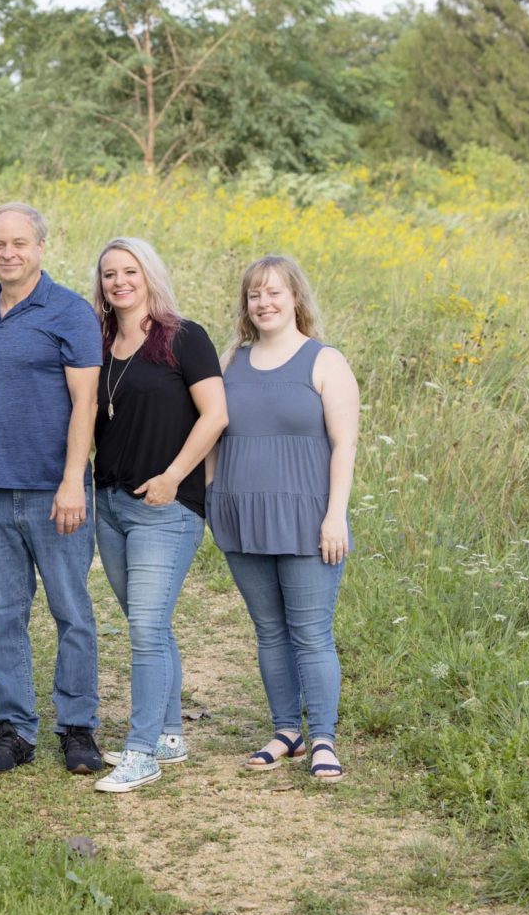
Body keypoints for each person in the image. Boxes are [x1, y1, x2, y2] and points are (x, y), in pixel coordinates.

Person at [206, 255, 359, 782]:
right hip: (241, 515)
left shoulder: (324, 361)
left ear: (295, 298)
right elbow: (211, 430)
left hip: (307, 517)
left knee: (311, 633)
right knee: (269, 631)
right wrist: (210, 491)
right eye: (254, 295)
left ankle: (322, 737)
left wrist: (335, 516)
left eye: (274, 293)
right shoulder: (231, 360)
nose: (264, 303)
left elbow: (344, 445)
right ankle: (285, 729)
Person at [0, 202, 104, 775]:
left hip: (56, 490)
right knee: (2, 615)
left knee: (71, 610)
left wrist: (72, 480)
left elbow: (86, 403)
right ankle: (15, 728)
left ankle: (77, 727)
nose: (8, 253)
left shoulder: (70, 312)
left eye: (19, 243)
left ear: (41, 247)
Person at [89, 238, 227, 793]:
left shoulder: (183, 337)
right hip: (110, 504)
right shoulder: (98, 342)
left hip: (165, 508)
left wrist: (173, 476)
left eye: (130, 271)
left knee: (145, 629)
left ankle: (141, 750)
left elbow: (215, 414)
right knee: (151, 625)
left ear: (149, 275)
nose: (119, 282)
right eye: (109, 275)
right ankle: (170, 733)